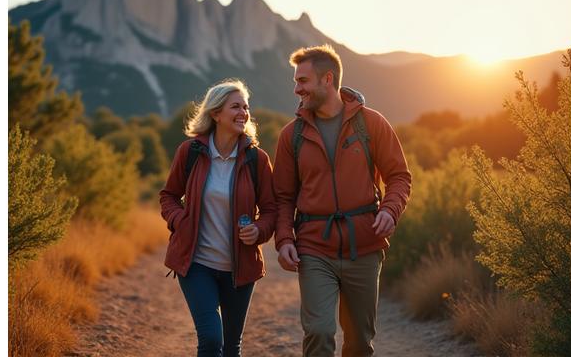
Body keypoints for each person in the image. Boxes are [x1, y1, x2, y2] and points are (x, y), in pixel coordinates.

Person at [273, 45, 412, 357]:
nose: (297, 89)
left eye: (303, 81)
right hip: (313, 248)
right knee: (319, 332)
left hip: (364, 245)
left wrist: (390, 209)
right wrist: (284, 239)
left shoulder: (371, 124)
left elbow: (399, 176)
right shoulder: (290, 136)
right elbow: (282, 196)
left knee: (360, 342)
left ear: (327, 79)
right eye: (296, 81)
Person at [159, 79, 277, 357]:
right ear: (215, 113)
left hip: (240, 267)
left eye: (246, 107)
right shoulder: (190, 152)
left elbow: (272, 210)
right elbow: (168, 196)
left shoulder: (256, 159)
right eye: (235, 106)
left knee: (232, 347)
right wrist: (179, 220)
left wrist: (259, 230)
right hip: (196, 263)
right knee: (212, 340)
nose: (243, 113)